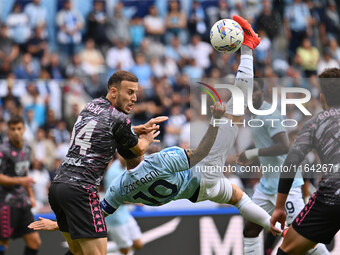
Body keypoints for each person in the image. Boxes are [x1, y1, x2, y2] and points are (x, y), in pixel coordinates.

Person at [48, 70, 166, 255]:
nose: (134, 98)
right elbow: (139, 149)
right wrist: (147, 137)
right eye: (129, 92)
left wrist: (133, 128)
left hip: (58, 187)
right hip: (82, 190)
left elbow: (102, 127)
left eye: (136, 93)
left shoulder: (91, 105)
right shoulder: (120, 119)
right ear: (113, 92)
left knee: (78, 253)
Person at [237, 80, 329, 255]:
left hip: (287, 186)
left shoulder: (269, 114)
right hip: (267, 186)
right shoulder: (255, 115)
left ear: (261, 92)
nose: (253, 95)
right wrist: (250, 154)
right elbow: (268, 147)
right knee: (250, 230)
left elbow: (284, 146)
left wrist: (253, 153)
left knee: (303, 237)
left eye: (255, 91)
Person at [270, 68, 340, 255]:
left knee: (285, 251)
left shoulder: (313, 124)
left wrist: (279, 207)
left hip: (331, 196)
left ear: (323, 97)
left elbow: (291, 162)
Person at [0, 116, 41, 255]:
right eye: (13, 129)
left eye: (19, 129)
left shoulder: (27, 147)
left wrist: (31, 196)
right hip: (6, 203)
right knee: (3, 243)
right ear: (8, 131)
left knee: (34, 242)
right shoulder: (3, 150)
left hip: (23, 202)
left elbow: (24, 174)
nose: (16, 132)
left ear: (24, 129)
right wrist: (20, 181)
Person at [104, 155, 143, 255]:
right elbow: (113, 199)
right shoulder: (113, 173)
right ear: (118, 155)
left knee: (138, 244)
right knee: (125, 251)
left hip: (125, 214)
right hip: (114, 218)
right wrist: (136, 201)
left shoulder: (127, 167)